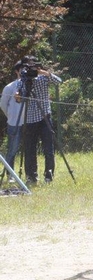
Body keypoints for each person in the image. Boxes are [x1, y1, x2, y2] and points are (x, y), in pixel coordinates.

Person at [15, 56, 62, 184]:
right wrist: (18, 97)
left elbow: (58, 81)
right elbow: (19, 98)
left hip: (44, 117)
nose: (29, 70)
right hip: (30, 119)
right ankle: (31, 176)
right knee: (30, 149)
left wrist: (43, 72)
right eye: (27, 67)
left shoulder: (43, 78)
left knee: (48, 148)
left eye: (31, 66)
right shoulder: (22, 81)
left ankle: (49, 175)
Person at [0, 61, 25, 171]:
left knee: (29, 149)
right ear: (16, 71)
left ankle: (30, 175)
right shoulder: (9, 87)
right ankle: (10, 174)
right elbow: (3, 105)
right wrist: (10, 116)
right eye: (22, 69)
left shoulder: (32, 86)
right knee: (12, 149)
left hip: (29, 122)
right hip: (14, 123)